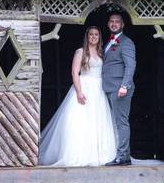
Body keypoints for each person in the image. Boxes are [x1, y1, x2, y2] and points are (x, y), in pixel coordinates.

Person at [38, 26, 117, 166]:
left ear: (99, 37)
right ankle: (78, 154)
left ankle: (101, 155)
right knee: (81, 121)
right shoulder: (80, 52)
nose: (93, 37)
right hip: (84, 87)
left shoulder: (101, 53)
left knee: (98, 121)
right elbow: (75, 73)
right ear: (87, 36)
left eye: (96, 35)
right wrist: (79, 92)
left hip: (99, 90)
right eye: (91, 34)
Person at [101, 12, 136, 165]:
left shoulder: (126, 42)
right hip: (108, 88)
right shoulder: (108, 42)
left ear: (122, 25)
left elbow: (130, 65)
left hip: (119, 89)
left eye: (117, 22)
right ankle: (124, 155)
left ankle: (122, 156)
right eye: (111, 21)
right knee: (113, 122)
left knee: (121, 122)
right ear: (108, 24)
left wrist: (124, 86)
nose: (114, 24)